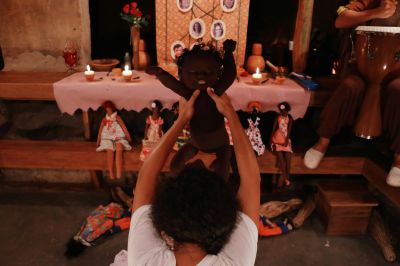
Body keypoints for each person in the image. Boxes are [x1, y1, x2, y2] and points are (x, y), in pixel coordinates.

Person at [128, 88, 260, 265]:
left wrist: (182, 118)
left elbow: (146, 175)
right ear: (226, 216)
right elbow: (251, 180)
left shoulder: (145, 260)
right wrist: (229, 112)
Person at [304, 0, 400, 187]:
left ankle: (399, 159)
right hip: (363, 68)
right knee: (349, 86)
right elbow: (340, 20)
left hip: (397, 73)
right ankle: (323, 141)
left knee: (398, 90)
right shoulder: (370, 1)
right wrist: (376, 12)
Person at [96, 101, 132, 180]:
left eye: (110, 109)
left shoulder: (117, 118)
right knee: (109, 150)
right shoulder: (104, 119)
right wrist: (98, 141)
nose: (108, 110)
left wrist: (128, 137)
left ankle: (119, 172)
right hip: (107, 137)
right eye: (107, 109)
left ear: (112, 109)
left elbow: (123, 127)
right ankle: (111, 172)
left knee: (119, 148)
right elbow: (100, 130)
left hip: (118, 136)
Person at [270, 102, 293, 188]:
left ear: (287, 111)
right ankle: (286, 179)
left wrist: (287, 140)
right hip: (277, 139)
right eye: (281, 111)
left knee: (288, 159)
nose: (283, 112)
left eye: (285, 111)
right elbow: (273, 129)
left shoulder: (290, 119)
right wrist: (270, 140)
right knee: (281, 160)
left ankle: (287, 177)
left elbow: (289, 131)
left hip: (285, 139)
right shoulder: (277, 118)